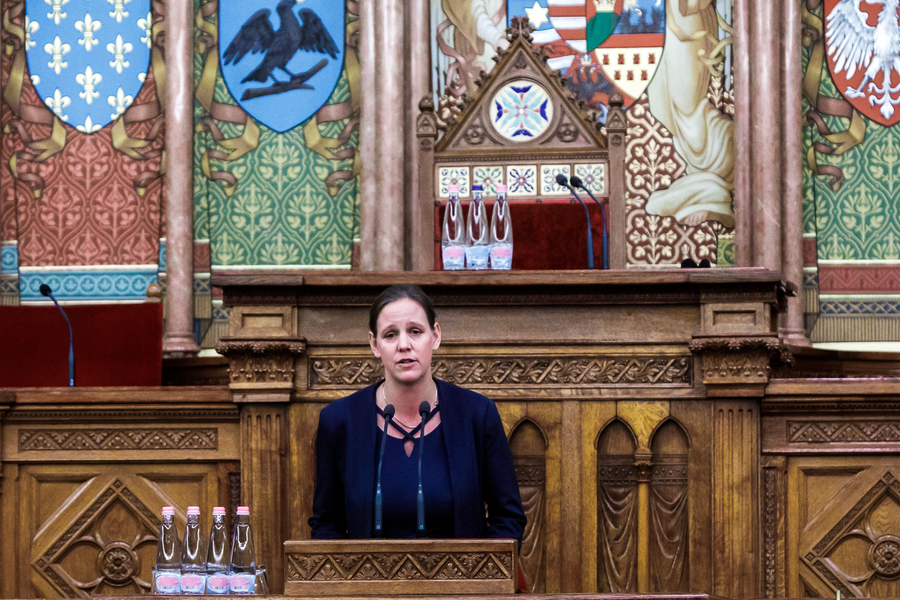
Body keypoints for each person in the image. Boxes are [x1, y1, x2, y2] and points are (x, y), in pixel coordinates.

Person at [309, 284, 526, 541]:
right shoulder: (340, 420)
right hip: (369, 580)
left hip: (459, 580)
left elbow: (508, 519)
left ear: (435, 336)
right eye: (390, 335)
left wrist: (476, 577)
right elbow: (326, 525)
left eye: (415, 331)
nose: (404, 345)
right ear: (374, 344)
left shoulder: (477, 415)